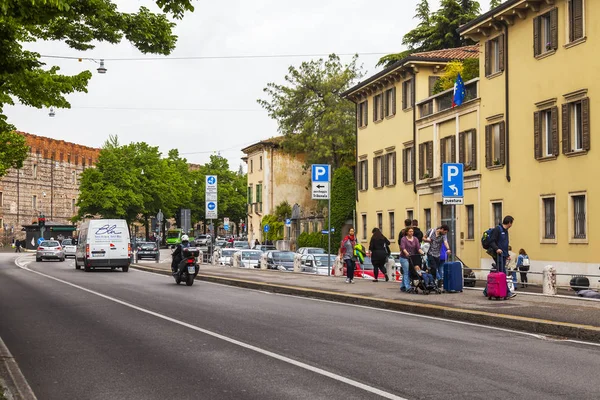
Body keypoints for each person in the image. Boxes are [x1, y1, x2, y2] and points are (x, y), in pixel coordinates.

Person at [485, 215, 516, 299]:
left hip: (503, 255)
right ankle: (507, 293)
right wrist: (497, 249)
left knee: (499, 273)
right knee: (502, 273)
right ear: (509, 222)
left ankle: (487, 291)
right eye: (511, 223)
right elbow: (492, 241)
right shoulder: (498, 229)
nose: (511, 225)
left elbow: (505, 244)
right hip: (498, 254)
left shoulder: (506, 231)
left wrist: (507, 255)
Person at [399, 227, 424, 291]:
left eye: (412, 231)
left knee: (406, 272)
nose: (411, 233)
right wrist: (406, 253)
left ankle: (402, 286)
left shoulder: (415, 239)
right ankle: (408, 287)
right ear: (407, 232)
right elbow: (403, 248)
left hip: (412, 257)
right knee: (406, 271)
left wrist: (422, 252)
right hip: (404, 257)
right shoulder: (403, 239)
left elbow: (418, 248)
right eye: (410, 231)